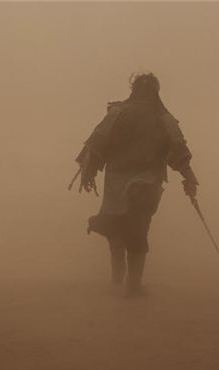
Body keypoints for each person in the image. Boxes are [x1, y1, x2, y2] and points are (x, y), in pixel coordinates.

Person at [75, 73, 198, 296]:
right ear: (156, 91)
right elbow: (177, 148)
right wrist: (188, 176)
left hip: (117, 182)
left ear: (133, 90)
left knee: (115, 229)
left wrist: (88, 172)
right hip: (147, 182)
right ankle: (132, 284)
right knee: (138, 229)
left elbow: (97, 143)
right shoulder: (163, 118)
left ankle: (117, 281)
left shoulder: (117, 113)